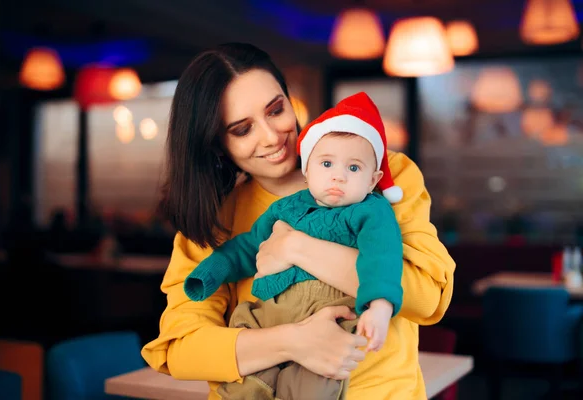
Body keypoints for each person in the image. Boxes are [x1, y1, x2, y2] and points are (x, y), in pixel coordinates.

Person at [141, 42, 456, 400]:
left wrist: (298, 248)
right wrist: (294, 342)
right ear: (217, 145)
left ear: (290, 101)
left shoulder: (381, 175)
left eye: (275, 110)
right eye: (242, 129)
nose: (272, 137)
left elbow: (426, 297)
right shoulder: (215, 217)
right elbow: (181, 349)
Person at [183, 92, 404, 400]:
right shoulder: (285, 209)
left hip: (329, 313)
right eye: (327, 163)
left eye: (353, 168)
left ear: (372, 179)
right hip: (272, 308)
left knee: (312, 384)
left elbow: (382, 258)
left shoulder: (372, 211)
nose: (338, 176)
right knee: (245, 342)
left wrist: (380, 307)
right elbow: (248, 247)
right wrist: (211, 272)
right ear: (308, 169)